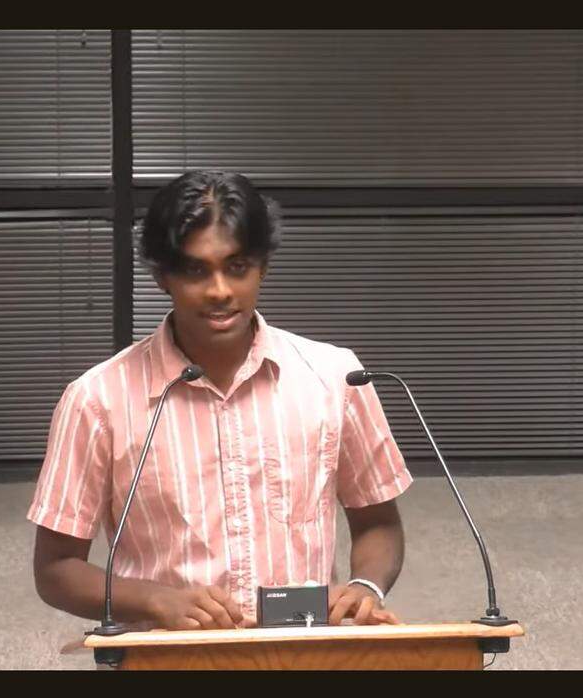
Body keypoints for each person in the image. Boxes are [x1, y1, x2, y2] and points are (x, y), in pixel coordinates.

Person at [30, 171, 412, 630]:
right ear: (161, 277)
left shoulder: (335, 377)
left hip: (302, 646)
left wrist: (365, 588)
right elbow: (55, 570)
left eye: (237, 267)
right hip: (168, 657)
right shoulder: (96, 400)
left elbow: (377, 521)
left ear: (262, 266)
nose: (220, 291)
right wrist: (155, 601)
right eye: (195, 270)